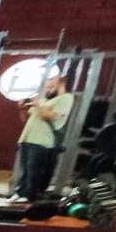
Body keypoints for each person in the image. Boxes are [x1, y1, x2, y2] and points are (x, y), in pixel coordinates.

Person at [15, 72, 74, 201]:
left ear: (61, 83)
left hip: (43, 141)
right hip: (27, 138)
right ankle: (21, 193)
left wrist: (38, 105)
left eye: (52, 83)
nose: (48, 86)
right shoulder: (44, 100)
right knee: (25, 169)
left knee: (34, 170)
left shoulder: (66, 98)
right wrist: (21, 109)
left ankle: (31, 196)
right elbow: (26, 119)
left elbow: (51, 116)